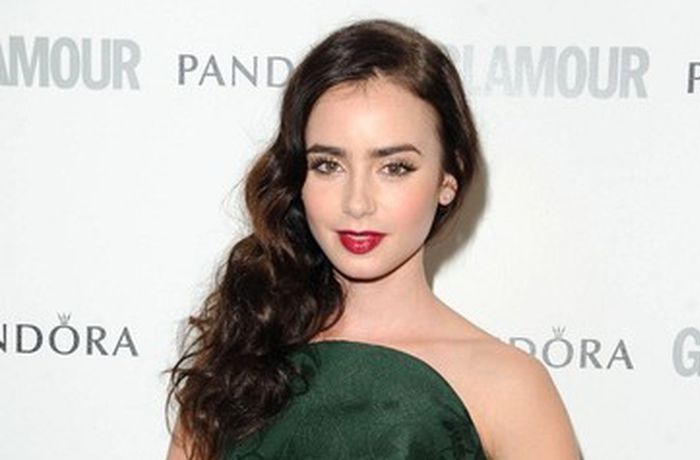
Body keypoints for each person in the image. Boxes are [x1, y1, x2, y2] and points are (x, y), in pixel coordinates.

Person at [164, 18, 581, 460]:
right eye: (328, 165)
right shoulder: (242, 353)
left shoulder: (509, 387)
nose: (357, 203)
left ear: (448, 179)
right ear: (297, 176)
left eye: (394, 167)